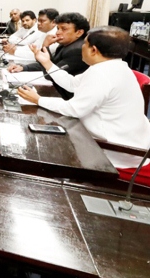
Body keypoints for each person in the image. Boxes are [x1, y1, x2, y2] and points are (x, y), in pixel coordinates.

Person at [17, 26, 150, 172]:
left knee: (39, 147)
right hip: (130, 144)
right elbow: (72, 84)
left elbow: (74, 109)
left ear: (93, 50)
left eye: (84, 44)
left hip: (115, 153)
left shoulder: (102, 73)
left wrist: (38, 99)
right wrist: (47, 63)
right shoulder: (114, 66)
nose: (81, 47)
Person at [8, 12, 90, 99]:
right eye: (58, 28)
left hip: (68, 97)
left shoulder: (76, 50)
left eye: (64, 29)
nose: (58, 32)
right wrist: (24, 67)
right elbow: (52, 64)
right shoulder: (66, 45)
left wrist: (45, 46)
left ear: (79, 32)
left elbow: (50, 75)